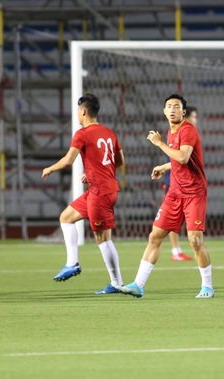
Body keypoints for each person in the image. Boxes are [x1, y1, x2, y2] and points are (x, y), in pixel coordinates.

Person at [118, 93, 214, 299]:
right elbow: (179, 160)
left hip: (194, 193)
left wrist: (160, 144)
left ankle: (207, 286)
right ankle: (138, 284)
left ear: (184, 111)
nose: (172, 109)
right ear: (164, 111)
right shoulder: (172, 132)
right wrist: (164, 166)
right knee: (155, 236)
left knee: (195, 241)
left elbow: (183, 156)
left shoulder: (187, 130)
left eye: (176, 106)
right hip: (175, 193)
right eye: (169, 106)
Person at [42, 93, 125, 294]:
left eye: (78, 110)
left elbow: (68, 160)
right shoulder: (109, 132)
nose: (77, 114)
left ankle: (117, 283)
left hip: (101, 193)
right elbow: (120, 161)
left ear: (84, 111)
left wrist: (50, 169)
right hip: (101, 188)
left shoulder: (82, 133)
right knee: (66, 217)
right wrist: (94, 172)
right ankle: (72, 263)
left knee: (103, 238)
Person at [164, 105, 197, 261]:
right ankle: (175, 250)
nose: (196, 120)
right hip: (175, 184)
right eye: (194, 117)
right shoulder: (179, 133)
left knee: (182, 221)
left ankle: (177, 250)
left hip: (185, 184)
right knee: (174, 219)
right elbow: (180, 159)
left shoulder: (186, 134)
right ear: (186, 116)